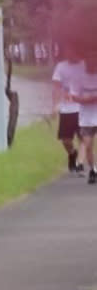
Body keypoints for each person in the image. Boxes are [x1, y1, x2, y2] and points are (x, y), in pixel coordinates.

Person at [52, 45, 86, 174]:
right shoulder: (61, 67)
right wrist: (55, 105)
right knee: (66, 140)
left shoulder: (85, 66)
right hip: (66, 109)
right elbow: (56, 87)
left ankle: (79, 164)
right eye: (68, 50)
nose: (70, 53)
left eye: (73, 50)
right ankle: (72, 153)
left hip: (83, 108)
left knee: (83, 138)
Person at [69, 52, 97, 185]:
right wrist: (86, 100)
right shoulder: (79, 78)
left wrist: (91, 99)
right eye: (90, 61)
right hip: (86, 118)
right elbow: (74, 96)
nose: (92, 64)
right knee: (88, 145)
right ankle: (93, 170)